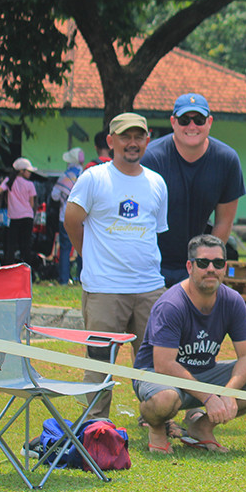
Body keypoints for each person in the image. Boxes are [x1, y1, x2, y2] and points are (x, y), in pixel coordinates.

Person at [64, 112, 168, 419]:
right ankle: (95, 426)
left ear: (147, 140)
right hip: (104, 289)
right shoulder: (94, 178)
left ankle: (156, 421)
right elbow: (72, 221)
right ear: (111, 141)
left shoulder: (157, 182)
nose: (132, 143)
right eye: (125, 137)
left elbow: (155, 231)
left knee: (155, 363)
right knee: (99, 363)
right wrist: (88, 256)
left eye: (138, 137)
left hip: (150, 288)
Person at [133, 234, 246, 454]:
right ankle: (157, 428)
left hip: (203, 373)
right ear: (190, 267)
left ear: (225, 267)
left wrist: (229, 393)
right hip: (159, 376)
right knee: (165, 399)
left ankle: (202, 427)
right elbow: (163, 365)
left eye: (218, 263)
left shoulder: (233, 301)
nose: (211, 269)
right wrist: (208, 397)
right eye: (203, 263)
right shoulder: (171, 305)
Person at [141, 92, 245, 287]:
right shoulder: (151, 159)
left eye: (198, 120)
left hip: (197, 266)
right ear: (173, 122)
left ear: (209, 122)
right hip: (152, 264)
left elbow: (224, 222)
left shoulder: (226, 161)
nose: (191, 126)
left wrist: (205, 264)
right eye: (184, 120)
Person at [0, 157, 37, 268]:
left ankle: (8, 270)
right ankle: (27, 271)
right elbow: (32, 204)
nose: (30, 173)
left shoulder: (9, 181)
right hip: (27, 218)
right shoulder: (30, 185)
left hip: (14, 219)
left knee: (11, 246)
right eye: (28, 171)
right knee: (25, 247)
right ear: (22, 171)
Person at [51, 147, 85, 284]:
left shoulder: (65, 175)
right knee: (83, 247)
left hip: (65, 215)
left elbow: (54, 195)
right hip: (82, 217)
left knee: (65, 248)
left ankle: (64, 279)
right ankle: (82, 278)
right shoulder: (86, 174)